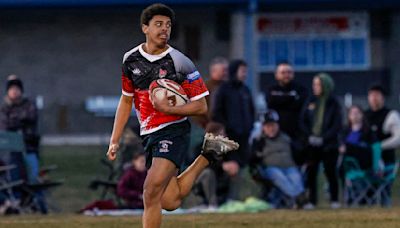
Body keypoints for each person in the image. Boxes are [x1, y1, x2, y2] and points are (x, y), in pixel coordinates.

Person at [106, 4, 239, 228]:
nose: (164, 29)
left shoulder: (180, 62)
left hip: (174, 130)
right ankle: (208, 155)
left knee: (150, 192)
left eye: (168, 25)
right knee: (169, 200)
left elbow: (201, 107)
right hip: (148, 134)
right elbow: (126, 99)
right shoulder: (130, 60)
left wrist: (170, 110)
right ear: (144, 28)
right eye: (158, 24)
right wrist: (115, 139)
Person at [299, 73, 342, 208]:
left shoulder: (334, 103)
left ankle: (334, 200)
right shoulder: (310, 100)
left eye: (318, 84)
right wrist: (309, 136)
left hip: (329, 144)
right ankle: (312, 201)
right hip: (312, 144)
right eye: (314, 84)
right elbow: (303, 120)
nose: (315, 87)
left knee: (330, 172)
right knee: (311, 172)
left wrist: (324, 138)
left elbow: (337, 124)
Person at [251, 110, 308, 208]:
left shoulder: (286, 138)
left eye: (273, 125)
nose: (271, 129)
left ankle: (299, 198)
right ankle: (297, 197)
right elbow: (253, 158)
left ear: (278, 125)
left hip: (290, 167)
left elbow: (298, 153)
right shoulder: (260, 141)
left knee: (296, 178)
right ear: (263, 128)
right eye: (268, 126)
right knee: (280, 178)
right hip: (271, 169)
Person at [212, 59, 255, 169]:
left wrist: (250, 127)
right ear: (234, 71)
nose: (245, 74)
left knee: (244, 165)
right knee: (232, 166)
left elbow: (251, 110)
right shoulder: (223, 89)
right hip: (230, 137)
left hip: (245, 137)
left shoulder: (245, 90)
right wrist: (227, 127)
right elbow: (216, 112)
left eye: (246, 71)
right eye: (242, 71)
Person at [265, 62, 309, 164]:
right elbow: (271, 102)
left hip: (297, 134)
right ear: (276, 74)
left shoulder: (301, 89)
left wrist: (280, 99)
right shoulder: (271, 89)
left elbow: (300, 104)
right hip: (277, 135)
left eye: (289, 72)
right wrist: (291, 98)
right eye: (283, 72)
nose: (286, 75)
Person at [364, 85, 400, 206]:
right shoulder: (364, 115)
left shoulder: (391, 115)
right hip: (366, 163)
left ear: (382, 97)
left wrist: (378, 147)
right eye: (371, 95)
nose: (374, 98)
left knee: (384, 192)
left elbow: (398, 138)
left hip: (386, 161)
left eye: (377, 95)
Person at [192, 57, 228, 128]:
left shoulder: (229, 87)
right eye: (224, 70)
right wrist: (207, 126)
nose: (226, 73)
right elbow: (196, 112)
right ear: (214, 71)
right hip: (210, 129)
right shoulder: (205, 88)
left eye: (227, 70)